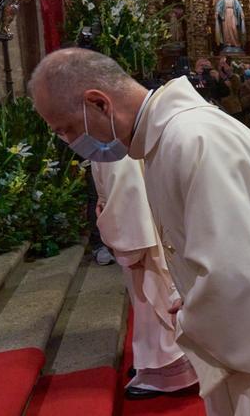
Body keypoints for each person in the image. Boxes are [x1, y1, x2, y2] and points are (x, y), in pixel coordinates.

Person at [28, 48, 250, 415]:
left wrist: (190, 316)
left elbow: (238, 280)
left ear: (98, 103)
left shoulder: (191, 139)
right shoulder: (173, 135)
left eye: (68, 129)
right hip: (249, 343)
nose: (71, 143)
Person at [92, 157, 199, 400]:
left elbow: (127, 194)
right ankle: (152, 362)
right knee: (148, 298)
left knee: (153, 296)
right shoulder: (107, 141)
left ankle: (165, 368)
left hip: (140, 230)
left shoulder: (113, 148)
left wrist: (127, 242)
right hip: (140, 222)